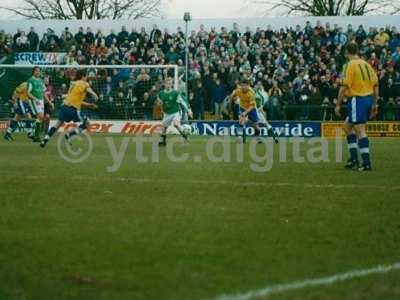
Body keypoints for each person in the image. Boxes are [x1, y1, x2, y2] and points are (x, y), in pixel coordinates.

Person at [335, 43, 379, 171]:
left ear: (346, 52)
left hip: (357, 99)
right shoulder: (366, 64)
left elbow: (344, 86)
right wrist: (374, 103)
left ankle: (366, 163)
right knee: (347, 127)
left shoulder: (350, 65)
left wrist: (338, 104)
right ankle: (353, 159)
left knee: (360, 130)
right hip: (367, 98)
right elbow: (376, 85)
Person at [40, 69, 98, 148]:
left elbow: (75, 100)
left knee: (57, 124)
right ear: (83, 76)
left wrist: (89, 105)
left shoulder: (73, 84)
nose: (87, 78)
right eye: (86, 76)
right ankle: (69, 134)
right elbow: (89, 90)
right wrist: (95, 95)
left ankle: (45, 140)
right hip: (72, 109)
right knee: (87, 123)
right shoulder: (83, 83)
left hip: (64, 107)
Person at [230, 78, 277, 144]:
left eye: (245, 85)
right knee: (241, 121)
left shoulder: (251, 93)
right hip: (242, 107)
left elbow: (252, 106)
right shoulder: (238, 90)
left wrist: (246, 112)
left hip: (252, 109)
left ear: (248, 86)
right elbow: (233, 95)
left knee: (255, 126)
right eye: (242, 85)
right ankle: (240, 138)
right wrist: (232, 97)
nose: (243, 87)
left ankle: (258, 138)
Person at [157, 78, 193, 146]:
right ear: (164, 84)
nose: (169, 85)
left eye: (170, 84)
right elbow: (158, 100)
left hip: (176, 112)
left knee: (176, 124)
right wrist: (159, 102)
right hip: (167, 113)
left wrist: (189, 110)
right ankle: (163, 142)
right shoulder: (161, 93)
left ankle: (185, 136)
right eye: (167, 84)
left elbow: (183, 100)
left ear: (172, 84)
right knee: (164, 127)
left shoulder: (175, 93)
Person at [27, 67, 50, 142]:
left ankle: (32, 133)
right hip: (34, 100)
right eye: (36, 71)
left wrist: (49, 102)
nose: (38, 72)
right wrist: (35, 99)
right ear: (33, 72)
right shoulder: (31, 80)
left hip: (41, 101)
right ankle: (35, 135)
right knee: (40, 116)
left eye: (39, 71)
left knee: (41, 117)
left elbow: (44, 93)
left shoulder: (41, 81)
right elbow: (28, 93)